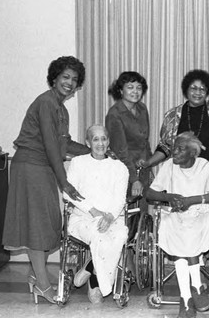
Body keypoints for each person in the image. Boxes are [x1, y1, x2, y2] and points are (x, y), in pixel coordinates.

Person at [2, 56, 91, 304]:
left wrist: (96, 151)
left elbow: (64, 145)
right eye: (65, 77)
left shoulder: (60, 109)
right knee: (38, 224)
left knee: (47, 221)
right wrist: (64, 183)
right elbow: (53, 148)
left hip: (43, 168)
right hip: (30, 166)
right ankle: (42, 285)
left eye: (74, 79)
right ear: (54, 78)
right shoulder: (46, 103)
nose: (70, 83)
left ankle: (35, 275)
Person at [145, 132, 209, 318]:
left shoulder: (205, 166)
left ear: (192, 153)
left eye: (181, 148)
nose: (174, 151)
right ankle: (191, 291)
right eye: (175, 147)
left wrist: (193, 200)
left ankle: (189, 297)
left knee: (191, 236)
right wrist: (168, 197)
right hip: (175, 214)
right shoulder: (168, 166)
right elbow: (150, 194)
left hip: (201, 212)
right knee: (176, 232)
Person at [63, 125, 129, 303]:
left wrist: (109, 216)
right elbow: (68, 193)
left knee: (121, 235)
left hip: (113, 218)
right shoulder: (78, 163)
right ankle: (98, 282)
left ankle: (92, 272)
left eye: (104, 139)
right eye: (95, 139)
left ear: (109, 141)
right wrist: (94, 211)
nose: (100, 143)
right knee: (99, 235)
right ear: (88, 142)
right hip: (83, 218)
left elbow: (120, 199)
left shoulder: (119, 167)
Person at [143, 69, 209, 174]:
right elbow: (165, 146)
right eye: (193, 88)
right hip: (178, 175)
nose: (198, 93)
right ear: (186, 90)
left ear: (207, 92)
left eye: (202, 89)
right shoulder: (172, 115)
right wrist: (149, 162)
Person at [106, 71, 152, 210]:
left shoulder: (142, 108)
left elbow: (145, 141)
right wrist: (134, 179)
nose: (135, 91)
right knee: (128, 212)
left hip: (142, 166)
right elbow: (120, 151)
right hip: (124, 169)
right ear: (121, 90)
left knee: (143, 211)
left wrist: (146, 163)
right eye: (130, 87)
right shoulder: (114, 114)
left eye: (139, 88)